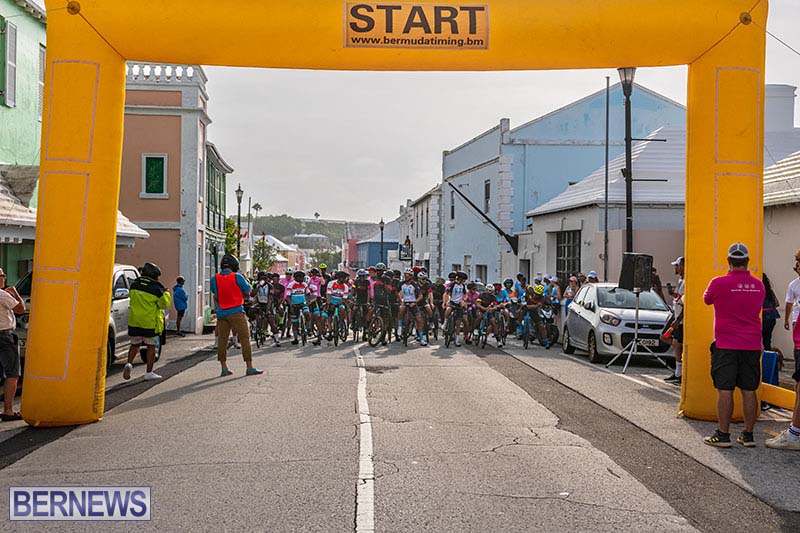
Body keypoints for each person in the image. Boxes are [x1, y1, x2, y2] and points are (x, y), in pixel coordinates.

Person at [702, 243, 764, 448]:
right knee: (749, 389)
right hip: (752, 344)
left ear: (728, 261)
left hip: (726, 344)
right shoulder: (759, 285)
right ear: (747, 261)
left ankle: (723, 435)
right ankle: (748, 435)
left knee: (725, 389)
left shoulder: (718, 283)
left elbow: (707, 300)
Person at [766, 252, 800, 450]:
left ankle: (794, 435)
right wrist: (788, 320)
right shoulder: (794, 285)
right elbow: (788, 304)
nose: (797, 265)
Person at [210, 255, 263, 377]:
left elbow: (215, 293)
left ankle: (224, 368)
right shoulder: (237, 276)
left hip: (221, 313)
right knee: (245, 338)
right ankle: (249, 367)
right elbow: (248, 290)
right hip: (236, 311)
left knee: (222, 340)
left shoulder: (214, 279)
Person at [123, 263, 171, 381]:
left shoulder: (134, 285)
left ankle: (129, 363)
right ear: (154, 275)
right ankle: (149, 372)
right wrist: (166, 293)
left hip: (134, 322)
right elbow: (164, 304)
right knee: (151, 346)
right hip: (149, 324)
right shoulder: (156, 289)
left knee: (135, 344)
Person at [0, 268, 25, 421]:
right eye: (2, 275)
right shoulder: (2, 294)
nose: (4, 278)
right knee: (12, 374)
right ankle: (8, 411)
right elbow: (21, 309)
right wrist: (15, 293)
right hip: (5, 336)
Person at [665, 256, 685, 385]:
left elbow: (686, 302)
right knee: (664, 336)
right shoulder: (680, 280)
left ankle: (679, 373)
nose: (676, 268)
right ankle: (679, 371)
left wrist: (678, 319)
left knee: (677, 344)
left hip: (680, 318)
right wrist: (673, 294)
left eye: (677, 265)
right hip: (675, 314)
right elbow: (680, 298)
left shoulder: (687, 281)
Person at [399, 269, 427, 346]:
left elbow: (420, 296)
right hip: (405, 302)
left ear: (411, 276)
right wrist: (401, 300)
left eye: (408, 275)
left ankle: (421, 339)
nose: (406, 277)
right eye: (405, 275)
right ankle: (400, 327)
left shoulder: (414, 285)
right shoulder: (401, 284)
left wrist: (415, 302)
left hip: (413, 303)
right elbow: (398, 292)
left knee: (419, 320)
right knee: (401, 309)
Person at [252, 272, 281, 347]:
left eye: (265, 278)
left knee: (271, 321)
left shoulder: (270, 286)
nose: (263, 280)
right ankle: (255, 326)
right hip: (259, 303)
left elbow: (270, 298)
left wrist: (268, 309)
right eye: (261, 279)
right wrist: (258, 287)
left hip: (268, 304)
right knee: (252, 311)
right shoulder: (256, 285)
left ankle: (277, 339)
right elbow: (252, 294)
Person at [761, 273, 780, 352]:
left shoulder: (757, 290)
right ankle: (768, 357)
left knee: (756, 340)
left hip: (762, 317)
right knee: (767, 340)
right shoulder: (769, 291)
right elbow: (777, 303)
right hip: (772, 317)